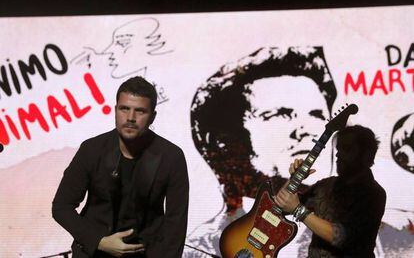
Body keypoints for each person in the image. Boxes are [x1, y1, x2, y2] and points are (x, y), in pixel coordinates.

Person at [185, 46, 337, 256]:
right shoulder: (199, 248)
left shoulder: (379, 237)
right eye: (281, 114)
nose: (305, 130)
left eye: (317, 115)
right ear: (224, 141)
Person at [52, 76, 189, 258]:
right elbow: (62, 207)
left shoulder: (172, 157)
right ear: (115, 110)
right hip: (93, 253)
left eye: (140, 111)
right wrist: (99, 241)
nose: (130, 118)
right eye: (124, 109)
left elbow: (176, 224)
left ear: (152, 117)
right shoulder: (92, 149)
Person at [274, 125, 386, 257]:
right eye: (338, 149)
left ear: (366, 155)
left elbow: (341, 237)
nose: (338, 154)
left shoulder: (374, 194)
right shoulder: (325, 185)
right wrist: (294, 179)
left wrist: (298, 210)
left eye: (347, 149)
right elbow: (280, 208)